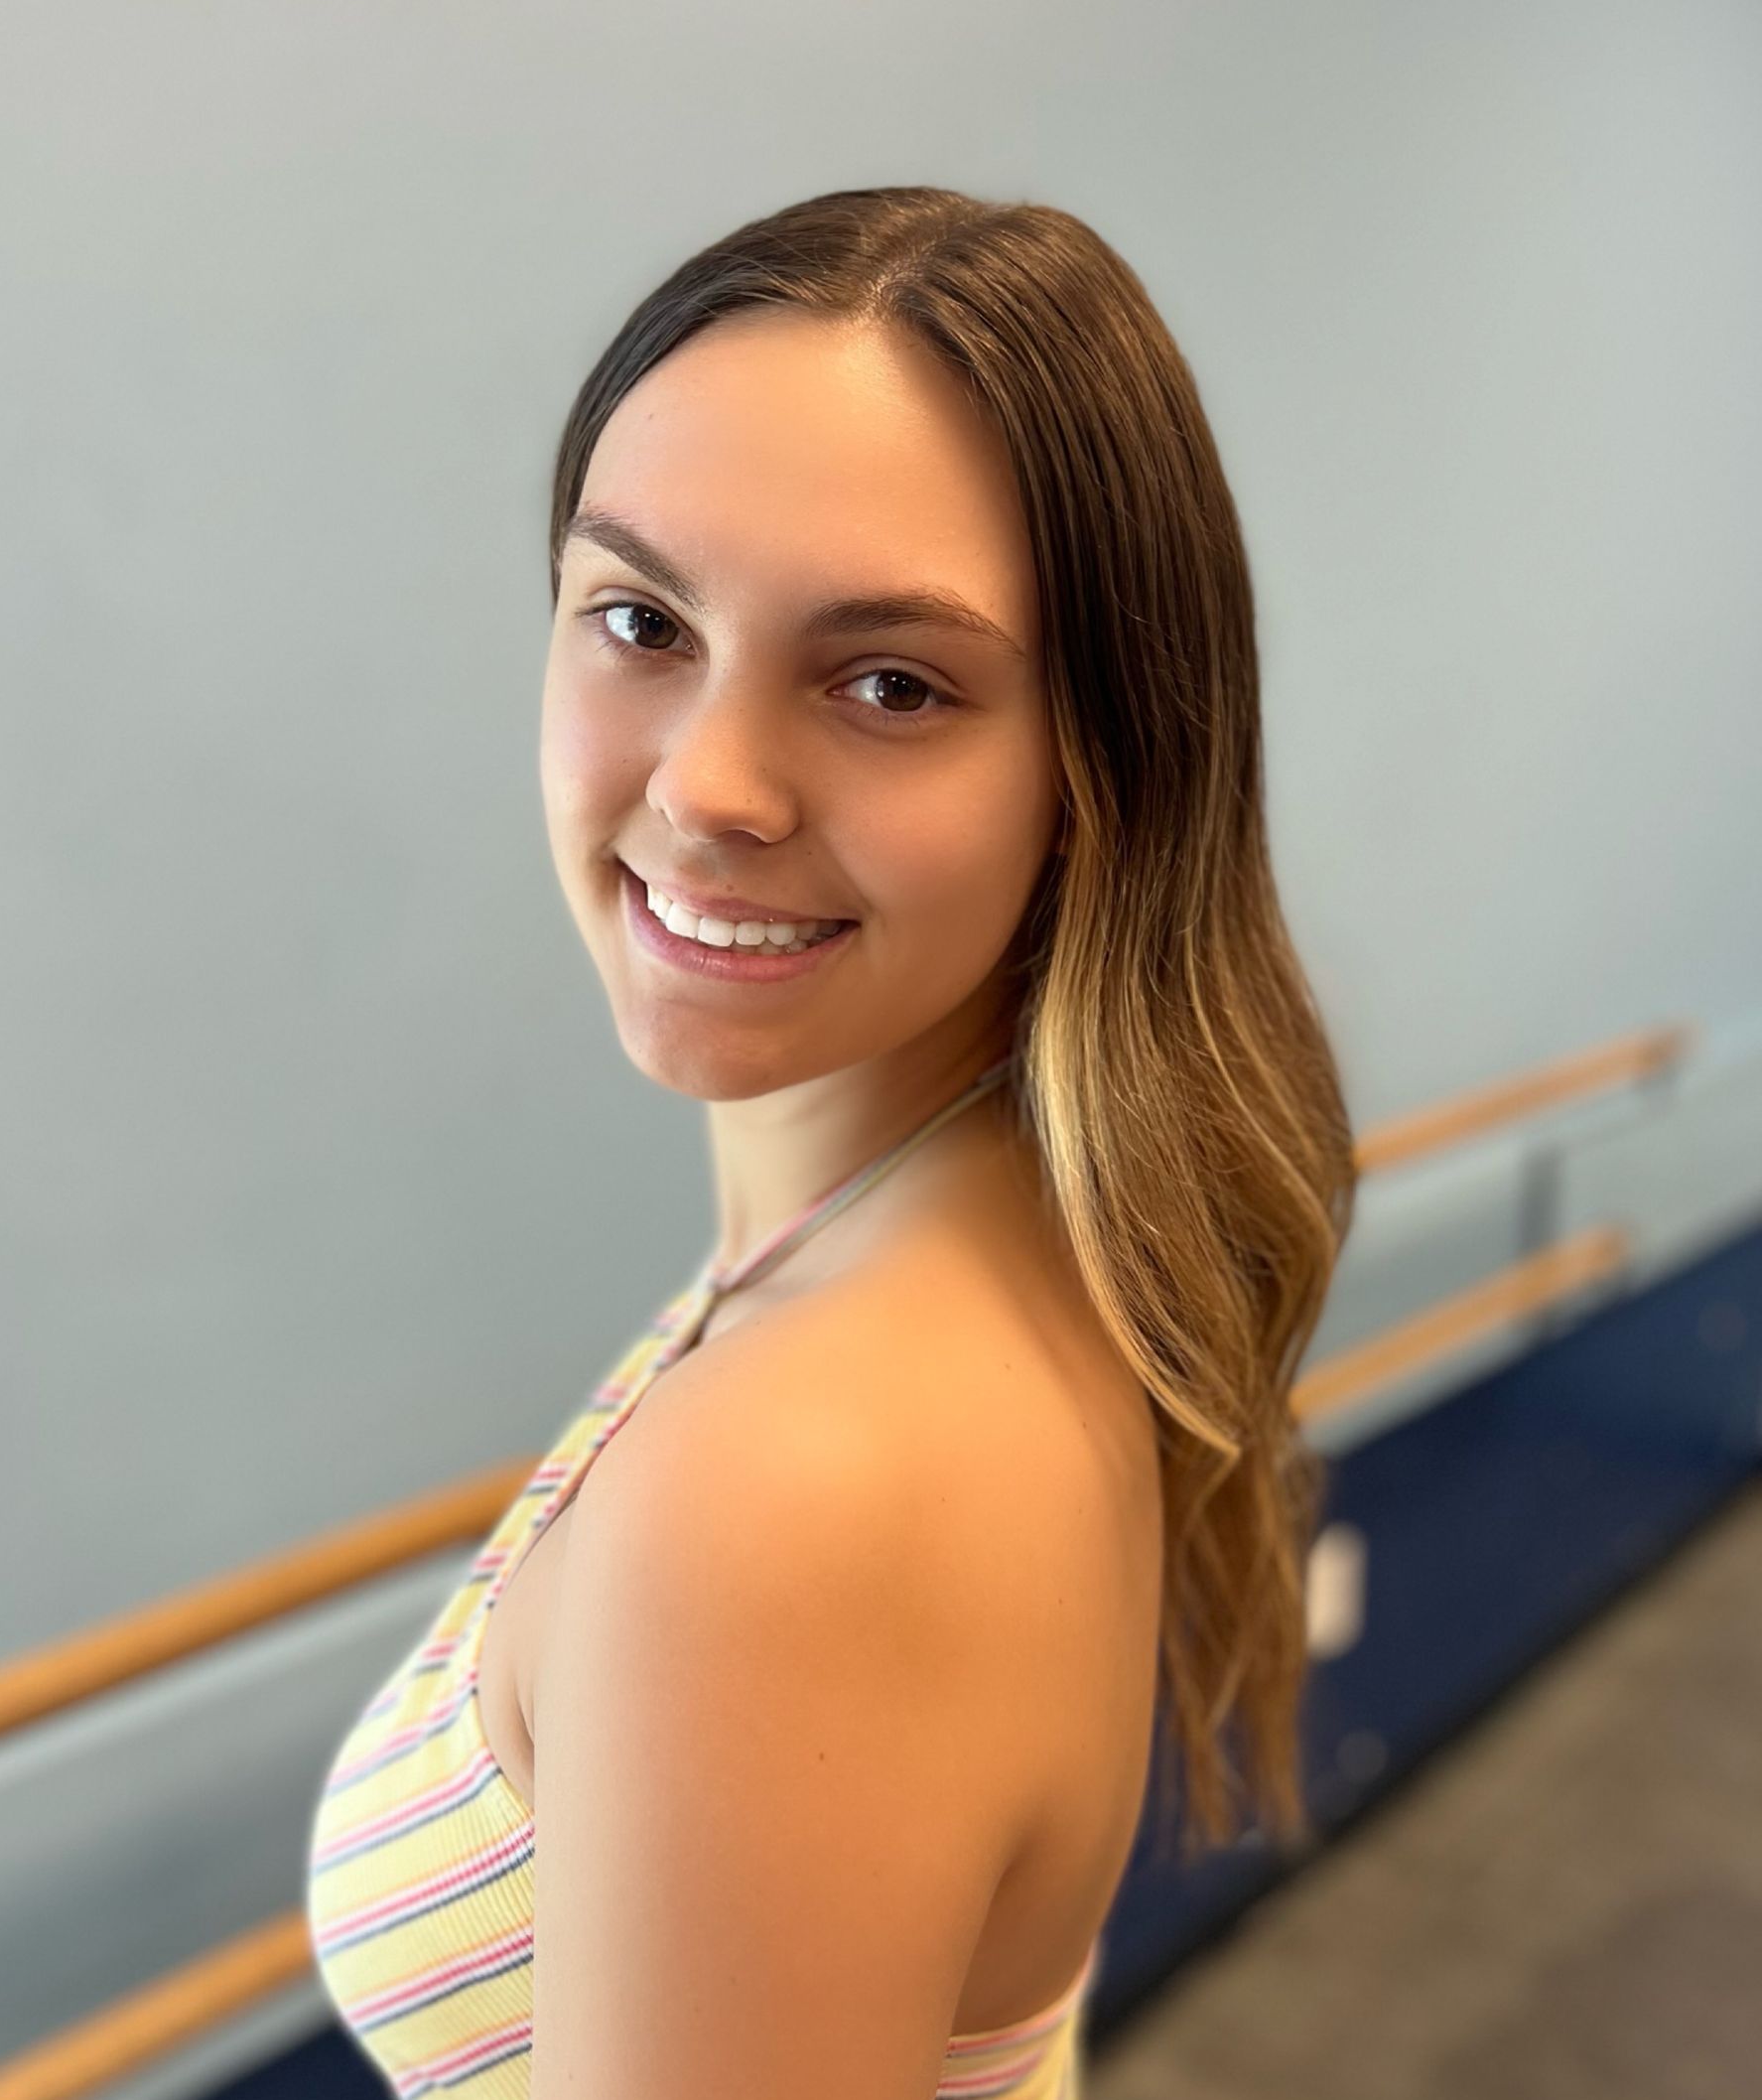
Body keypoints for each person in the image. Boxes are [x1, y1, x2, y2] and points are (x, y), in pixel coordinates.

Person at [307, 184, 1356, 2098]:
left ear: (1100, 773)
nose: (707, 786)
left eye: (891, 684)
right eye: (639, 617)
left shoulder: (790, 1498)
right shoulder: (975, 1229)